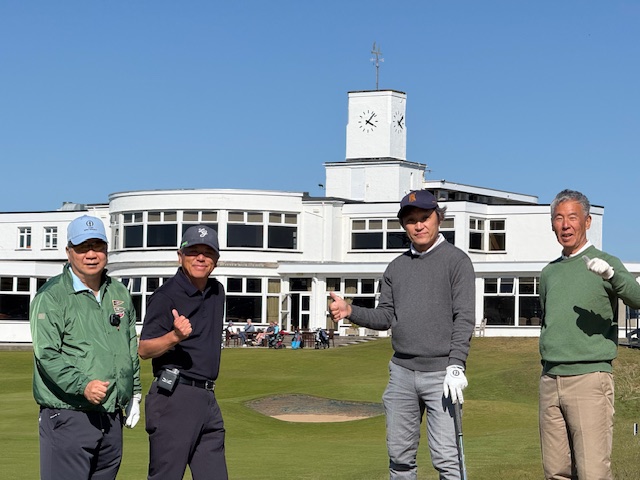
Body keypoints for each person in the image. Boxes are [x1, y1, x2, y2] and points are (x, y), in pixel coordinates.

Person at [329, 189, 475, 480]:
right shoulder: (396, 267)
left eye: (425, 218)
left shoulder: (457, 261)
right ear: (404, 226)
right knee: (399, 458)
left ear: (439, 219)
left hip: (442, 374)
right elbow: (385, 317)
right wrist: (350, 310)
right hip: (401, 374)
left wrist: (457, 364)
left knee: (447, 459)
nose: (419, 225)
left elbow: (464, 317)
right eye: (411, 220)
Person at [30, 215, 142, 480]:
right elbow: (47, 355)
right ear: (69, 251)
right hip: (68, 415)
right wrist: (83, 385)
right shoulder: (51, 296)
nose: (91, 254)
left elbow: (129, 346)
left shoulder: (119, 292)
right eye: (82, 247)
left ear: (106, 249)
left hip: (111, 416)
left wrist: (134, 393)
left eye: (97, 246)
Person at [538, 189, 640, 480]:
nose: (565, 225)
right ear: (552, 224)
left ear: (587, 221)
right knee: (555, 472)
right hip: (550, 380)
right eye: (559, 218)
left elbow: (637, 298)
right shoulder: (549, 273)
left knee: (592, 472)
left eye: (572, 217)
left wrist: (612, 276)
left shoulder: (606, 263)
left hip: (589, 380)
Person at [138, 225, 228, 480]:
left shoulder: (217, 291)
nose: (200, 258)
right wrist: (174, 337)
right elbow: (144, 349)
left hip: (207, 398)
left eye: (207, 253)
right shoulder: (165, 296)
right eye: (193, 252)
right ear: (180, 256)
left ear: (216, 260)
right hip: (175, 396)